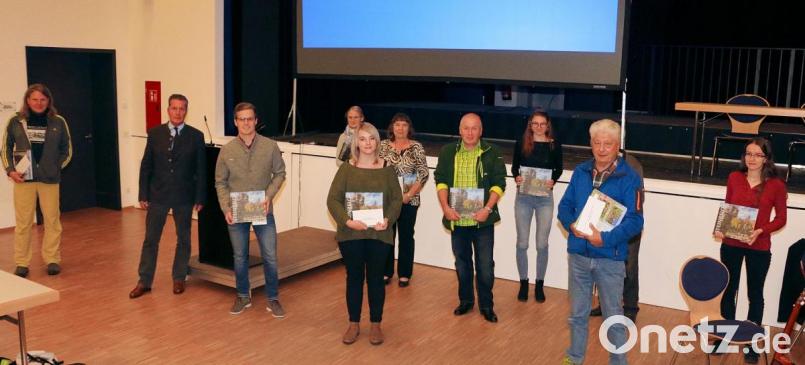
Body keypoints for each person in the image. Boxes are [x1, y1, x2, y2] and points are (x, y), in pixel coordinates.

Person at [557, 119, 643, 365]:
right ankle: (574, 358)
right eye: (597, 143)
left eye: (608, 144)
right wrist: (570, 224)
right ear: (591, 144)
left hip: (610, 259)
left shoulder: (630, 178)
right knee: (577, 315)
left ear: (618, 146)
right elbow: (564, 207)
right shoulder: (581, 171)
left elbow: (636, 222)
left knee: (614, 317)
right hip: (579, 256)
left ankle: (618, 361)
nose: (602, 148)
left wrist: (603, 238)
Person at [327, 122, 402, 345]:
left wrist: (388, 219)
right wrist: (348, 221)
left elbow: (397, 200)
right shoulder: (346, 169)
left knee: (376, 279)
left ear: (377, 142)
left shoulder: (388, 168)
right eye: (362, 139)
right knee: (354, 279)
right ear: (356, 143)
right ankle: (354, 324)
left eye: (371, 139)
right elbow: (333, 200)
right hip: (352, 235)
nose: (367, 143)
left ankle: (376, 325)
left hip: (379, 234)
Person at [713, 137, 787, 364]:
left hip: (759, 246)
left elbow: (781, 219)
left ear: (766, 159)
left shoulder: (776, 185)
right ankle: (724, 337)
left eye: (757, 155)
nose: (752, 159)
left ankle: (752, 343)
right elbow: (728, 206)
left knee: (755, 295)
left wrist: (761, 230)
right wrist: (720, 228)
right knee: (728, 291)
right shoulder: (734, 178)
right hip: (731, 245)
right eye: (748, 154)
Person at [130, 94, 207, 299]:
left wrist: (200, 197)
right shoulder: (155, 133)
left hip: (184, 196)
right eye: (174, 108)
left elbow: (201, 169)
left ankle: (179, 277)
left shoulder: (196, 136)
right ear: (168, 110)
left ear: (186, 111)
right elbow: (146, 165)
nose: (178, 112)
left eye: (182, 109)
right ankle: (144, 281)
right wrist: (143, 193)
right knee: (150, 239)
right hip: (158, 195)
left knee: (184, 239)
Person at [215, 102, 287, 317]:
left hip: (263, 210)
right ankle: (243, 296)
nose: (246, 123)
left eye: (249, 119)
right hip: (236, 212)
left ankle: (273, 298)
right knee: (239, 256)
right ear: (235, 122)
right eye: (241, 119)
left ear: (256, 121)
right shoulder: (226, 150)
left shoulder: (270, 146)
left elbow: (280, 173)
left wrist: (268, 196)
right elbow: (220, 182)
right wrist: (225, 207)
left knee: (270, 256)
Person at [434, 113, 506, 323]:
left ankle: (486, 305)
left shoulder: (492, 152)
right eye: (466, 128)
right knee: (462, 264)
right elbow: (441, 181)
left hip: (482, 220)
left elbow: (499, 184)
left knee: (484, 266)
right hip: (457, 220)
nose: (470, 132)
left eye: (475, 128)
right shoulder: (448, 152)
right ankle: (466, 301)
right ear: (460, 130)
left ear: (481, 131)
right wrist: (446, 207)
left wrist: (487, 208)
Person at [2, 84, 72, 277]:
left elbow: (67, 151)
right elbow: (5, 149)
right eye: (35, 99)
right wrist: (10, 171)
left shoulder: (59, 121)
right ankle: (22, 262)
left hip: (50, 180)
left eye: (43, 99)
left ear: (48, 101)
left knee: (52, 221)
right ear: (27, 100)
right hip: (23, 180)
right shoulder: (16, 121)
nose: (39, 103)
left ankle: (52, 259)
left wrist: (55, 167)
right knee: (23, 223)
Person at [511, 111, 563, 302]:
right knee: (522, 243)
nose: (539, 127)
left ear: (548, 125)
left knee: (542, 244)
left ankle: (539, 284)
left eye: (543, 124)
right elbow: (515, 167)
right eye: (535, 123)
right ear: (530, 125)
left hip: (544, 199)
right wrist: (517, 177)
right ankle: (523, 282)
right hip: (524, 197)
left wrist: (553, 181)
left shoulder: (554, 144)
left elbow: (559, 168)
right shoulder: (522, 141)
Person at [590, 151, 645, 321]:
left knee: (629, 266)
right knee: (602, 264)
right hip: (604, 225)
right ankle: (604, 303)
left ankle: (630, 307)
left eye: (608, 142)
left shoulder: (632, 165)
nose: (602, 147)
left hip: (627, 227)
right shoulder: (596, 162)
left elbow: (638, 199)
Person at [379, 113, 429, 287]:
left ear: (409, 128)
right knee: (387, 235)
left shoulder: (416, 147)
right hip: (387, 200)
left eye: (404, 125)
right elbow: (377, 170)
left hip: (409, 199)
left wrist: (408, 195)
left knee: (407, 236)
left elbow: (423, 173)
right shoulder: (383, 146)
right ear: (392, 127)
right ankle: (386, 271)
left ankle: (404, 274)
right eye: (397, 124)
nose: (400, 128)